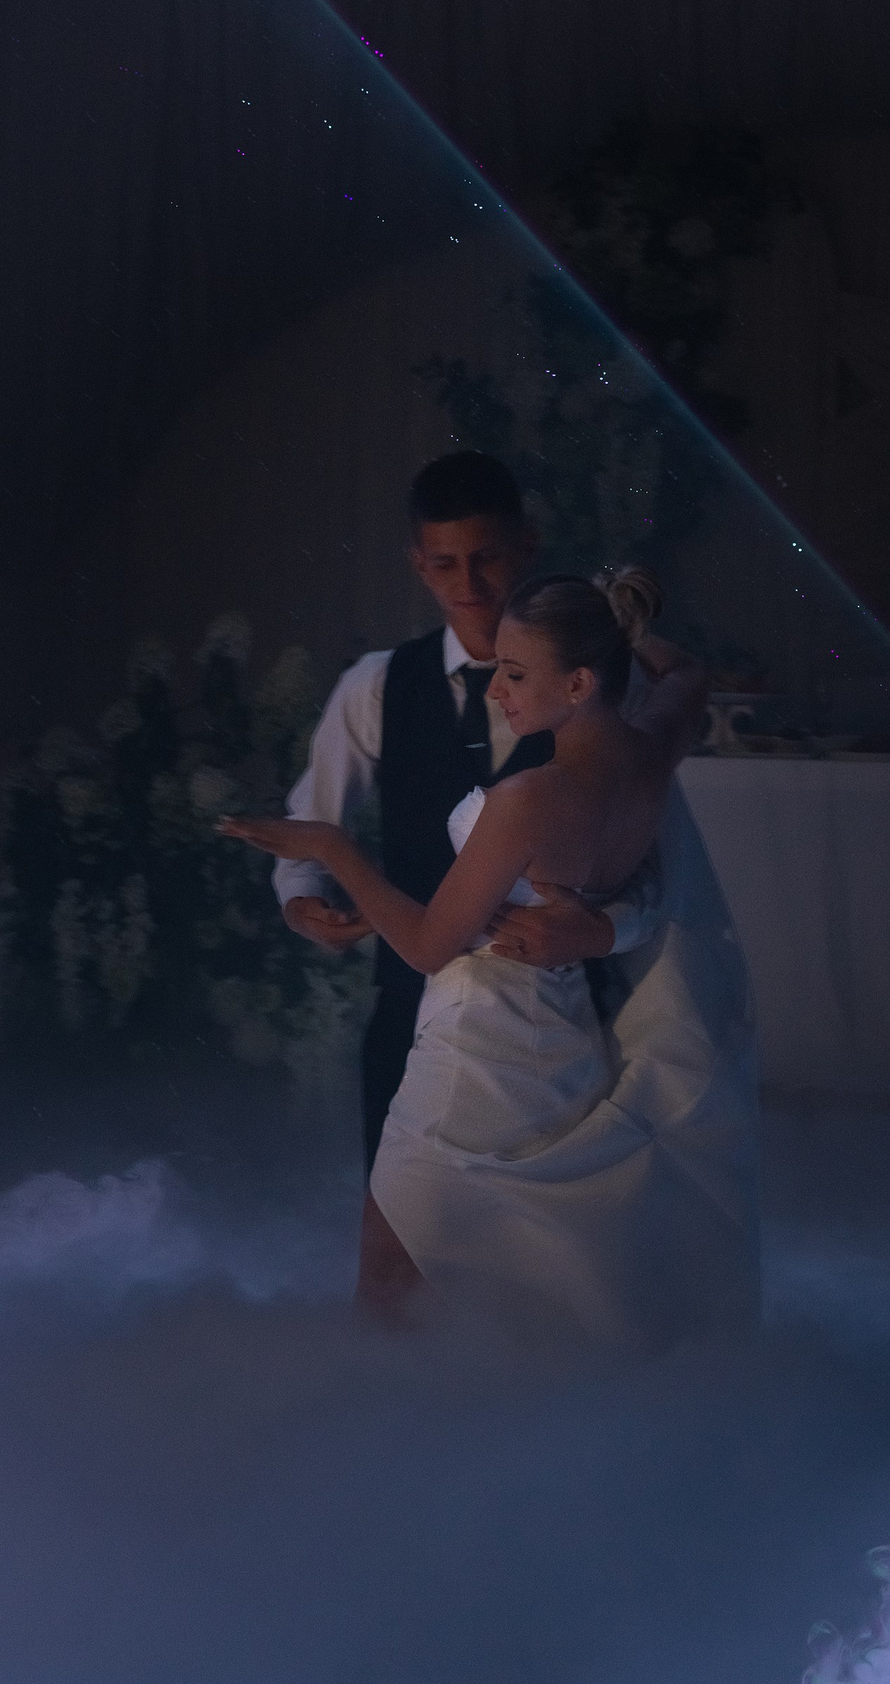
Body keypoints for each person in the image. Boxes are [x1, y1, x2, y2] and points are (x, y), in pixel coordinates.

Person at [228, 568, 759, 1346]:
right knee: (477, 1268)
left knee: (390, 1269)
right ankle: (467, 1407)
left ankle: (379, 1414)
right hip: (564, 1042)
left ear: (578, 682)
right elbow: (686, 672)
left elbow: (427, 946)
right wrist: (621, 626)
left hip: (475, 1049)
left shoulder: (527, 800)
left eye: (513, 673)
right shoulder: (655, 747)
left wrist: (332, 847)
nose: (496, 689)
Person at [273, 453, 657, 1167]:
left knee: (560, 1221)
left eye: (487, 558)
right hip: (414, 1015)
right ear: (418, 564)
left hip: (570, 1025)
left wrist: (603, 929)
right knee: (401, 1221)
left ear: (527, 548)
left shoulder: (601, 691)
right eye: (446, 564)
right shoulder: (376, 686)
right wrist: (301, 903)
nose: (469, 585)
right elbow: (311, 819)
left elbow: (656, 862)